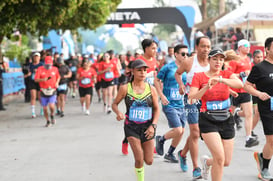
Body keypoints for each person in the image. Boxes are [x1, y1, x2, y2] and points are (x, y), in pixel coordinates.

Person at [189, 48, 243, 180]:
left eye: (221, 59)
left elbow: (239, 83)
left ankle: (207, 163)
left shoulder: (226, 74)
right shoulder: (199, 76)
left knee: (226, 161)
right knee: (219, 157)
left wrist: (221, 80)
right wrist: (206, 87)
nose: (218, 62)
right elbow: (191, 98)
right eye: (215, 59)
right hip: (208, 119)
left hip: (226, 118)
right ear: (208, 60)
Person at [112, 59, 160, 181]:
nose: (143, 73)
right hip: (131, 127)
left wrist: (153, 126)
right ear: (132, 71)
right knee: (139, 159)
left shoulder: (151, 89)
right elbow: (114, 104)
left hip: (148, 127)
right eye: (139, 70)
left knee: (149, 161)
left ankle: (148, 144)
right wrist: (118, 113)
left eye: (145, 70)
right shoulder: (125, 88)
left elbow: (156, 109)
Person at [175, 36, 211, 179]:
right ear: (196, 47)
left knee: (199, 132)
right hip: (191, 99)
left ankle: (182, 154)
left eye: (208, 46)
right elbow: (177, 73)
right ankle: (196, 168)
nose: (206, 49)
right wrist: (181, 85)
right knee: (195, 132)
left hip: (208, 101)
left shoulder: (212, 61)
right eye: (203, 46)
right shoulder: (189, 62)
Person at [244, 37, 273, 181]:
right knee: (272, 140)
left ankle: (262, 156)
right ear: (267, 49)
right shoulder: (259, 68)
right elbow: (247, 85)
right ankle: (265, 169)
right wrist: (259, 94)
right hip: (268, 108)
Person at [154, 44, 188, 163]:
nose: (185, 56)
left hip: (181, 104)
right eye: (183, 54)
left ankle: (170, 153)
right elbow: (157, 80)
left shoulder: (187, 68)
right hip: (168, 103)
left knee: (182, 131)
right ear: (176, 54)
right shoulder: (168, 67)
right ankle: (161, 139)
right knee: (178, 130)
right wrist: (161, 95)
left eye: (186, 54)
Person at [228, 39, 259, 147]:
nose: (248, 47)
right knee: (229, 114)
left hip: (245, 90)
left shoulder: (248, 60)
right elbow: (229, 74)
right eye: (246, 45)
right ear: (240, 47)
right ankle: (225, 134)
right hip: (235, 90)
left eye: (249, 45)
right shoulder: (234, 59)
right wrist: (240, 74)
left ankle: (248, 138)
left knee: (249, 114)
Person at [34, 56, 60, 127]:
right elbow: (36, 79)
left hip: (52, 89)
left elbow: (58, 77)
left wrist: (57, 83)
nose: (48, 66)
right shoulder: (40, 69)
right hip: (43, 90)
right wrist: (43, 79)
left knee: (51, 106)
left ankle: (52, 115)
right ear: (44, 63)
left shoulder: (55, 69)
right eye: (47, 65)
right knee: (45, 108)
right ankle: (48, 121)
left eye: (50, 65)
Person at [251, 49, 264, 137]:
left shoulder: (264, 66)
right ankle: (250, 130)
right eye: (257, 57)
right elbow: (248, 83)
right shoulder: (252, 67)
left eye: (261, 57)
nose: (259, 59)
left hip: (264, 92)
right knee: (257, 113)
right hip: (255, 93)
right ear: (254, 58)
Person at [29, 52, 44, 118]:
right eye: (35, 56)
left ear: (39, 57)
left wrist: (38, 71)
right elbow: (28, 72)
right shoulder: (30, 65)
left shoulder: (41, 64)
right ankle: (33, 112)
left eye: (37, 56)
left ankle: (41, 109)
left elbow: (44, 73)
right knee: (33, 96)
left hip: (39, 81)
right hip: (32, 81)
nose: (36, 58)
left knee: (40, 96)